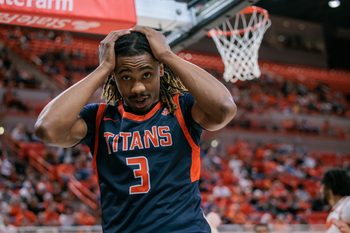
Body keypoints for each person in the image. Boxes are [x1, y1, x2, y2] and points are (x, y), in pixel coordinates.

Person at [34, 26, 236, 233]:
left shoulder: (181, 109)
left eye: (147, 74)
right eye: (126, 77)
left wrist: (167, 55)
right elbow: (47, 129)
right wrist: (103, 69)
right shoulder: (99, 119)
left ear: (161, 69)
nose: (138, 87)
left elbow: (224, 108)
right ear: (114, 78)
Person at [321, 168, 350, 233]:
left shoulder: (348, 205)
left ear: (329, 187)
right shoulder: (338, 208)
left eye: (323, 185)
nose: (321, 190)